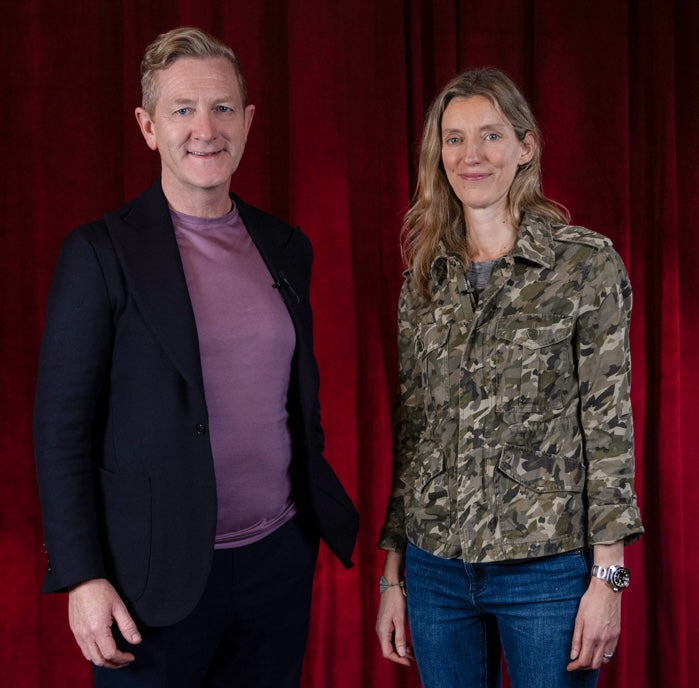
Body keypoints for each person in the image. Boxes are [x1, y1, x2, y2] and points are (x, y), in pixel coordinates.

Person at [33, 26, 358, 688]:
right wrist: (83, 574)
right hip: (150, 578)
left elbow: (297, 396)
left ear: (247, 121)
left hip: (277, 563)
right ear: (148, 126)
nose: (204, 128)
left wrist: (299, 540)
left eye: (222, 108)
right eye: (182, 109)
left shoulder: (284, 245)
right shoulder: (99, 254)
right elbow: (60, 430)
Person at [375, 67, 643, 688]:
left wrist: (609, 579)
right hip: (436, 572)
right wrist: (393, 577)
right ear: (437, 156)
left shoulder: (584, 265)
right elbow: (411, 438)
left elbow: (608, 431)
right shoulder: (424, 282)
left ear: (525, 148)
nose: (472, 155)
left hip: (546, 573)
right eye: (455, 139)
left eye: (491, 136)